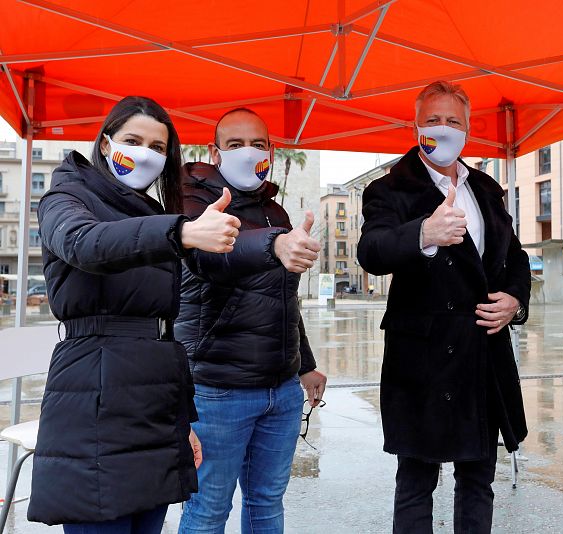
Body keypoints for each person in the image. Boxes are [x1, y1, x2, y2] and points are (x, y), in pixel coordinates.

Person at [28, 96, 241, 532]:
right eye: (133, 140)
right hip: (95, 393)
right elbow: (85, 244)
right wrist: (181, 231)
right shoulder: (67, 196)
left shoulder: (154, 213)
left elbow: (164, 329)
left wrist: (183, 421)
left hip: (155, 403)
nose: (145, 154)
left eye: (158, 147)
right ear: (106, 143)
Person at [357, 81, 531, 534]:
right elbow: (371, 251)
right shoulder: (389, 189)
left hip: (482, 353)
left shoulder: (486, 189)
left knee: (478, 479)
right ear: (415, 126)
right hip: (422, 359)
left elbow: (514, 256)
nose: (443, 128)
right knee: (416, 481)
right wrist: (423, 234)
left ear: (468, 130)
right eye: (433, 119)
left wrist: (515, 299)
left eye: (453, 121)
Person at [176, 108, 327, 534]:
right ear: (215, 152)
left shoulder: (276, 212)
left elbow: (283, 298)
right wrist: (274, 244)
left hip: (280, 390)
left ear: (271, 152)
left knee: (267, 504)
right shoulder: (195, 203)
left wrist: (305, 365)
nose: (248, 153)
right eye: (235, 144)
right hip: (217, 389)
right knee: (207, 510)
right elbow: (210, 259)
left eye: (258, 144)